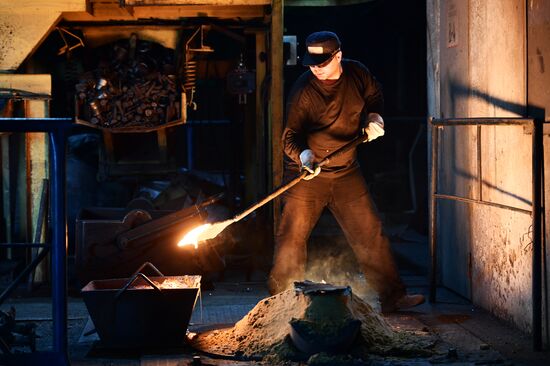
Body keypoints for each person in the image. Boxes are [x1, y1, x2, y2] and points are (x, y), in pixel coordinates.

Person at [267, 31, 425, 312]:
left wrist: (374, 117)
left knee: (369, 232)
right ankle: (281, 302)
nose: (315, 67)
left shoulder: (358, 74)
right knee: (291, 236)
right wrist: (305, 155)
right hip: (306, 173)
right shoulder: (304, 91)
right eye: (312, 62)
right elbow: (289, 137)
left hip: (345, 171)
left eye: (322, 62)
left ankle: (393, 296)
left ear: (338, 56)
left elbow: (374, 95)